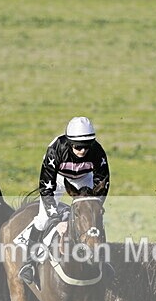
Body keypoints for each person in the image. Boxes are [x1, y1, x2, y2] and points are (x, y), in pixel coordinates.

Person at [18, 116, 110, 284]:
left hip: (84, 180)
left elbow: (103, 184)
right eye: (78, 146)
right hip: (57, 181)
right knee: (42, 219)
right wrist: (55, 220)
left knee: (94, 218)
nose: (82, 151)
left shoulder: (98, 152)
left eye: (86, 146)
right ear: (69, 142)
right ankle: (29, 264)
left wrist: (92, 207)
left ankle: (104, 262)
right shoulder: (55, 149)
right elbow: (46, 188)